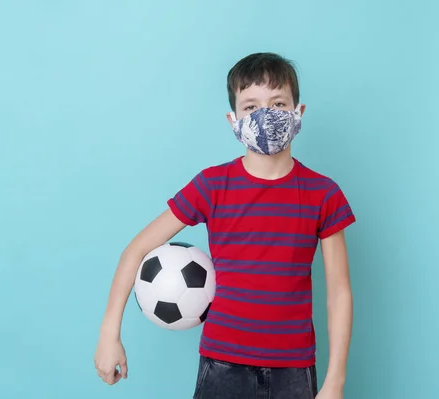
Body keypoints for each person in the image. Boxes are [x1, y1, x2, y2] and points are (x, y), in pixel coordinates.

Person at [94, 52, 356, 399]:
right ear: (233, 120)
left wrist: (335, 381)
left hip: (294, 369)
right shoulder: (212, 185)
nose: (265, 115)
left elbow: (339, 292)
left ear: (298, 113)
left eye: (278, 103)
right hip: (222, 367)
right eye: (251, 106)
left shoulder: (323, 193)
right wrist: (108, 334)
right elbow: (136, 250)